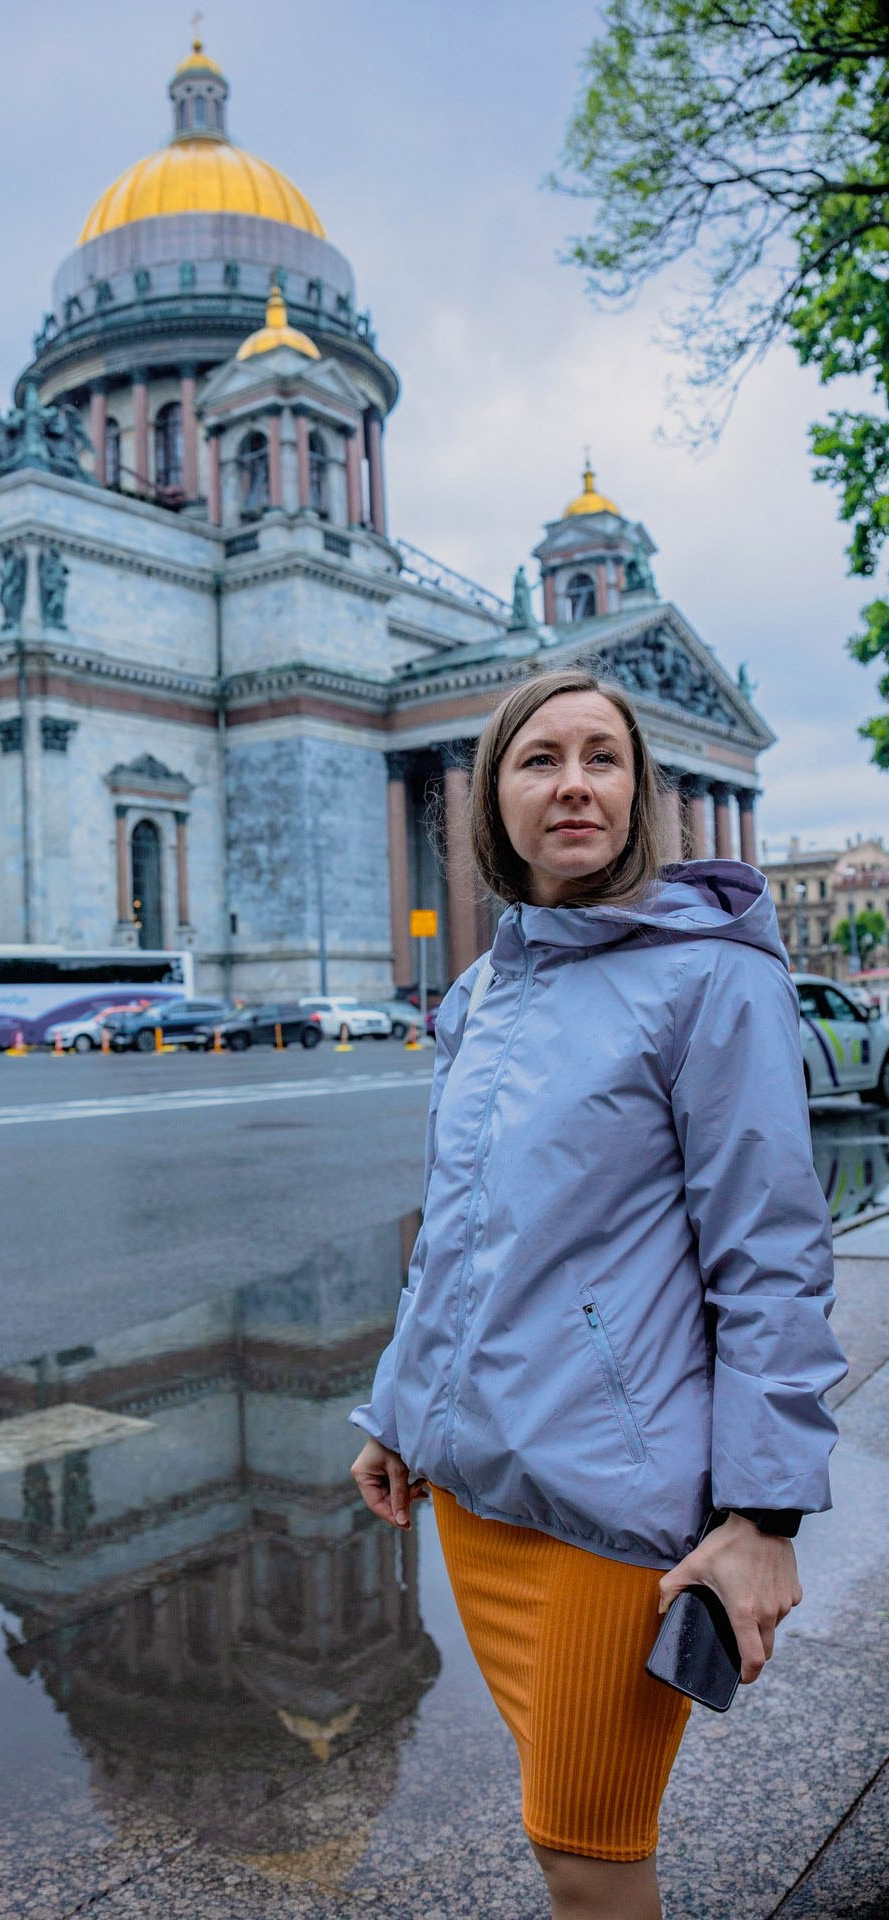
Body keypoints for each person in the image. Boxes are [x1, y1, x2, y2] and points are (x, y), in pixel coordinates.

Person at [350, 667, 845, 1920]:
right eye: (538, 760)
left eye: (601, 758)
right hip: (479, 1487)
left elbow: (768, 1252)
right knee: (560, 1829)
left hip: (612, 1507)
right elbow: (461, 1240)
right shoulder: (481, 990)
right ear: (491, 803)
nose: (572, 783)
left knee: (585, 1855)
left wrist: (765, 1512)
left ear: (638, 795)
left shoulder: (710, 977)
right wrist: (396, 1412)